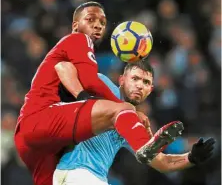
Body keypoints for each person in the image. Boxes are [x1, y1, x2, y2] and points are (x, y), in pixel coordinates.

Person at [14, 1, 183, 185]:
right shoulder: (78, 39)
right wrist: (120, 107)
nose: (98, 25)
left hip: (36, 143)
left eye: (102, 23)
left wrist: (191, 157)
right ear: (75, 25)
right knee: (121, 109)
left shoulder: (71, 55)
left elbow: (64, 68)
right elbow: (81, 75)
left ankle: (145, 145)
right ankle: (144, 146)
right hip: (41, 118)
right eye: (91, 19)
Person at [53, 61, 215, 185]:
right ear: (122, 80)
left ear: (150, 90)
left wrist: (191, 158)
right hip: (76, 171)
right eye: (135, 78)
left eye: (145, 82)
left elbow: (160, 162)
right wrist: (84, 98)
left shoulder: (134, 123)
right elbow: (63, 67)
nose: (139, 85)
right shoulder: (102, 84)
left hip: (89, 176)